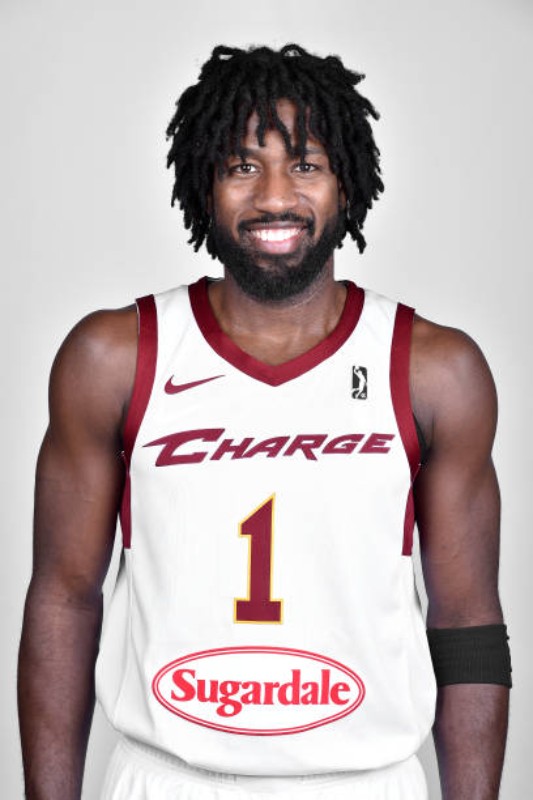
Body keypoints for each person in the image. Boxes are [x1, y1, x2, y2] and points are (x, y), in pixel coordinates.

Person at [18, 44, 511, 800]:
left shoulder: (433, 369)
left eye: (306, 165)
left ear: (347, 184)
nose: (275, 197)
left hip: (366, 784)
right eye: (242, 166)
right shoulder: (115, 357)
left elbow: (467, 621)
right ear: (203, 185)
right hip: (166, 781)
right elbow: (63, 596)